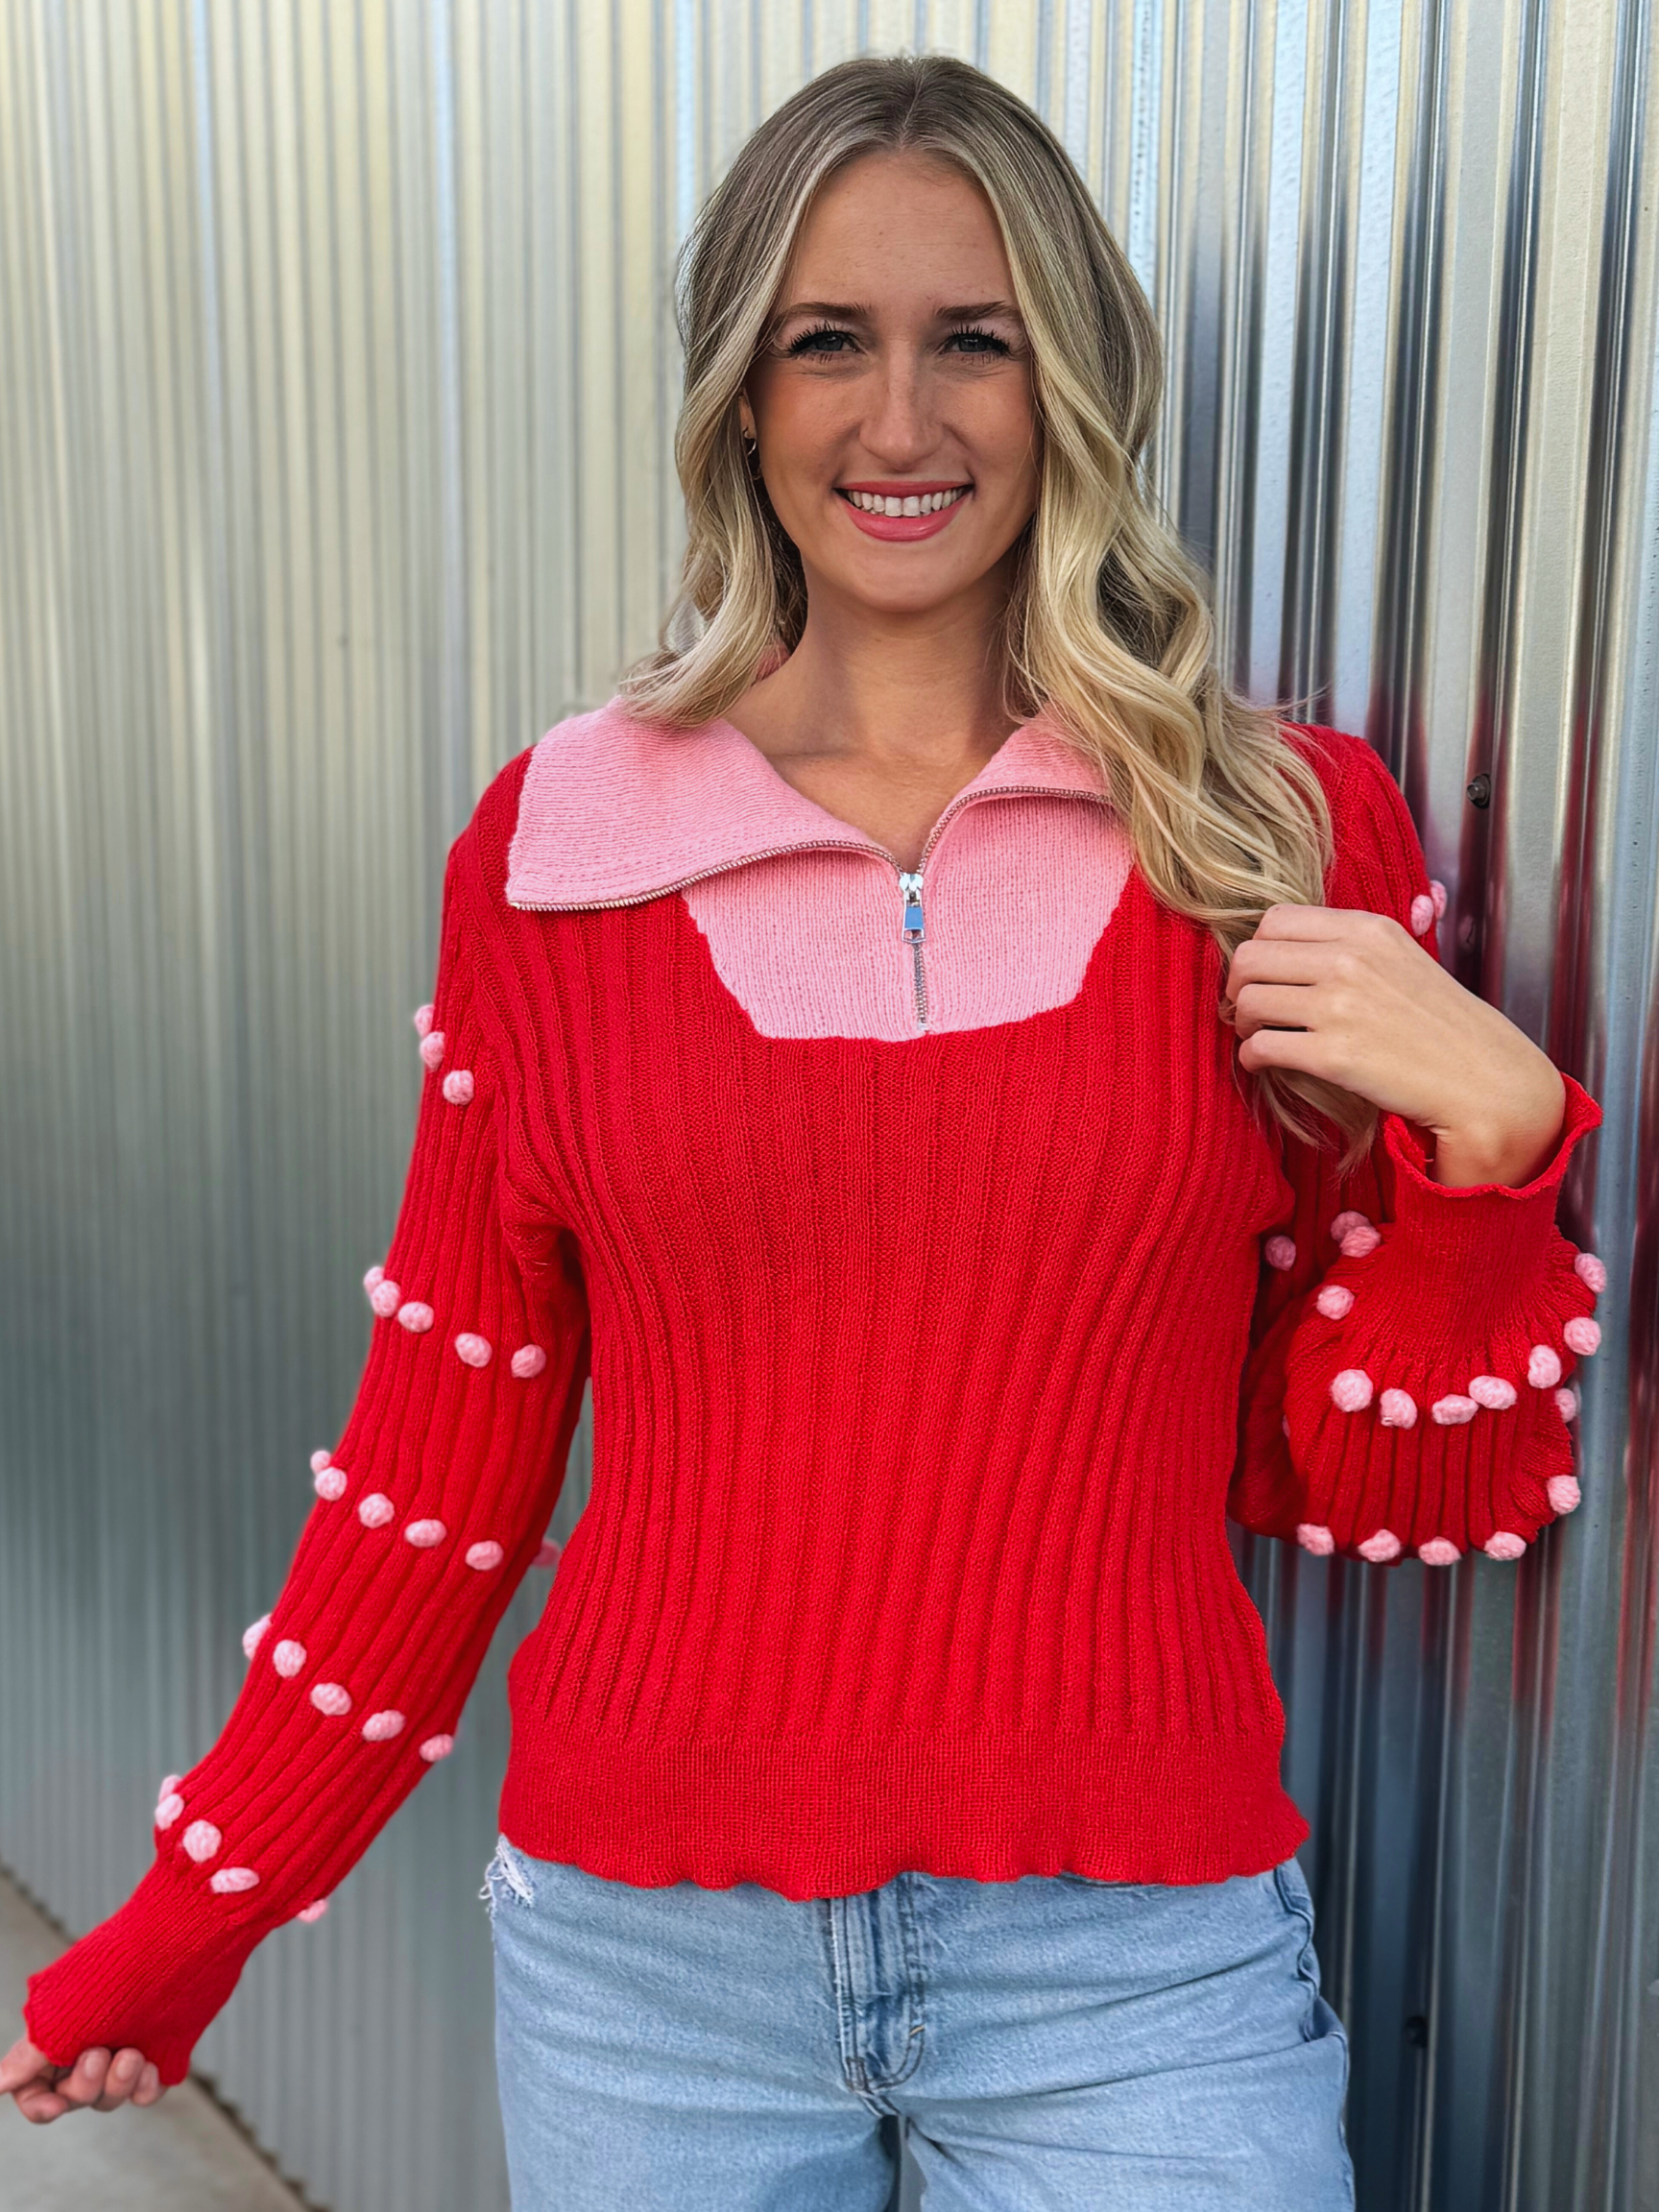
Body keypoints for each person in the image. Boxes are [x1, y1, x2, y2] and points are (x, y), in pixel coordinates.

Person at [5, 53, 1603, 2212]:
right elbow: (435, 1473)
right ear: (739, 397)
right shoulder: (557, 851)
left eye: (978, 342)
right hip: (648, 1983)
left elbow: (1391, 1487)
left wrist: (1487, 1171)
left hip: (1136, 1967)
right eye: (826, 340)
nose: (901, 421)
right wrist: (192, 1917)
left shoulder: (1270, 833)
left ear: (1072, 388)